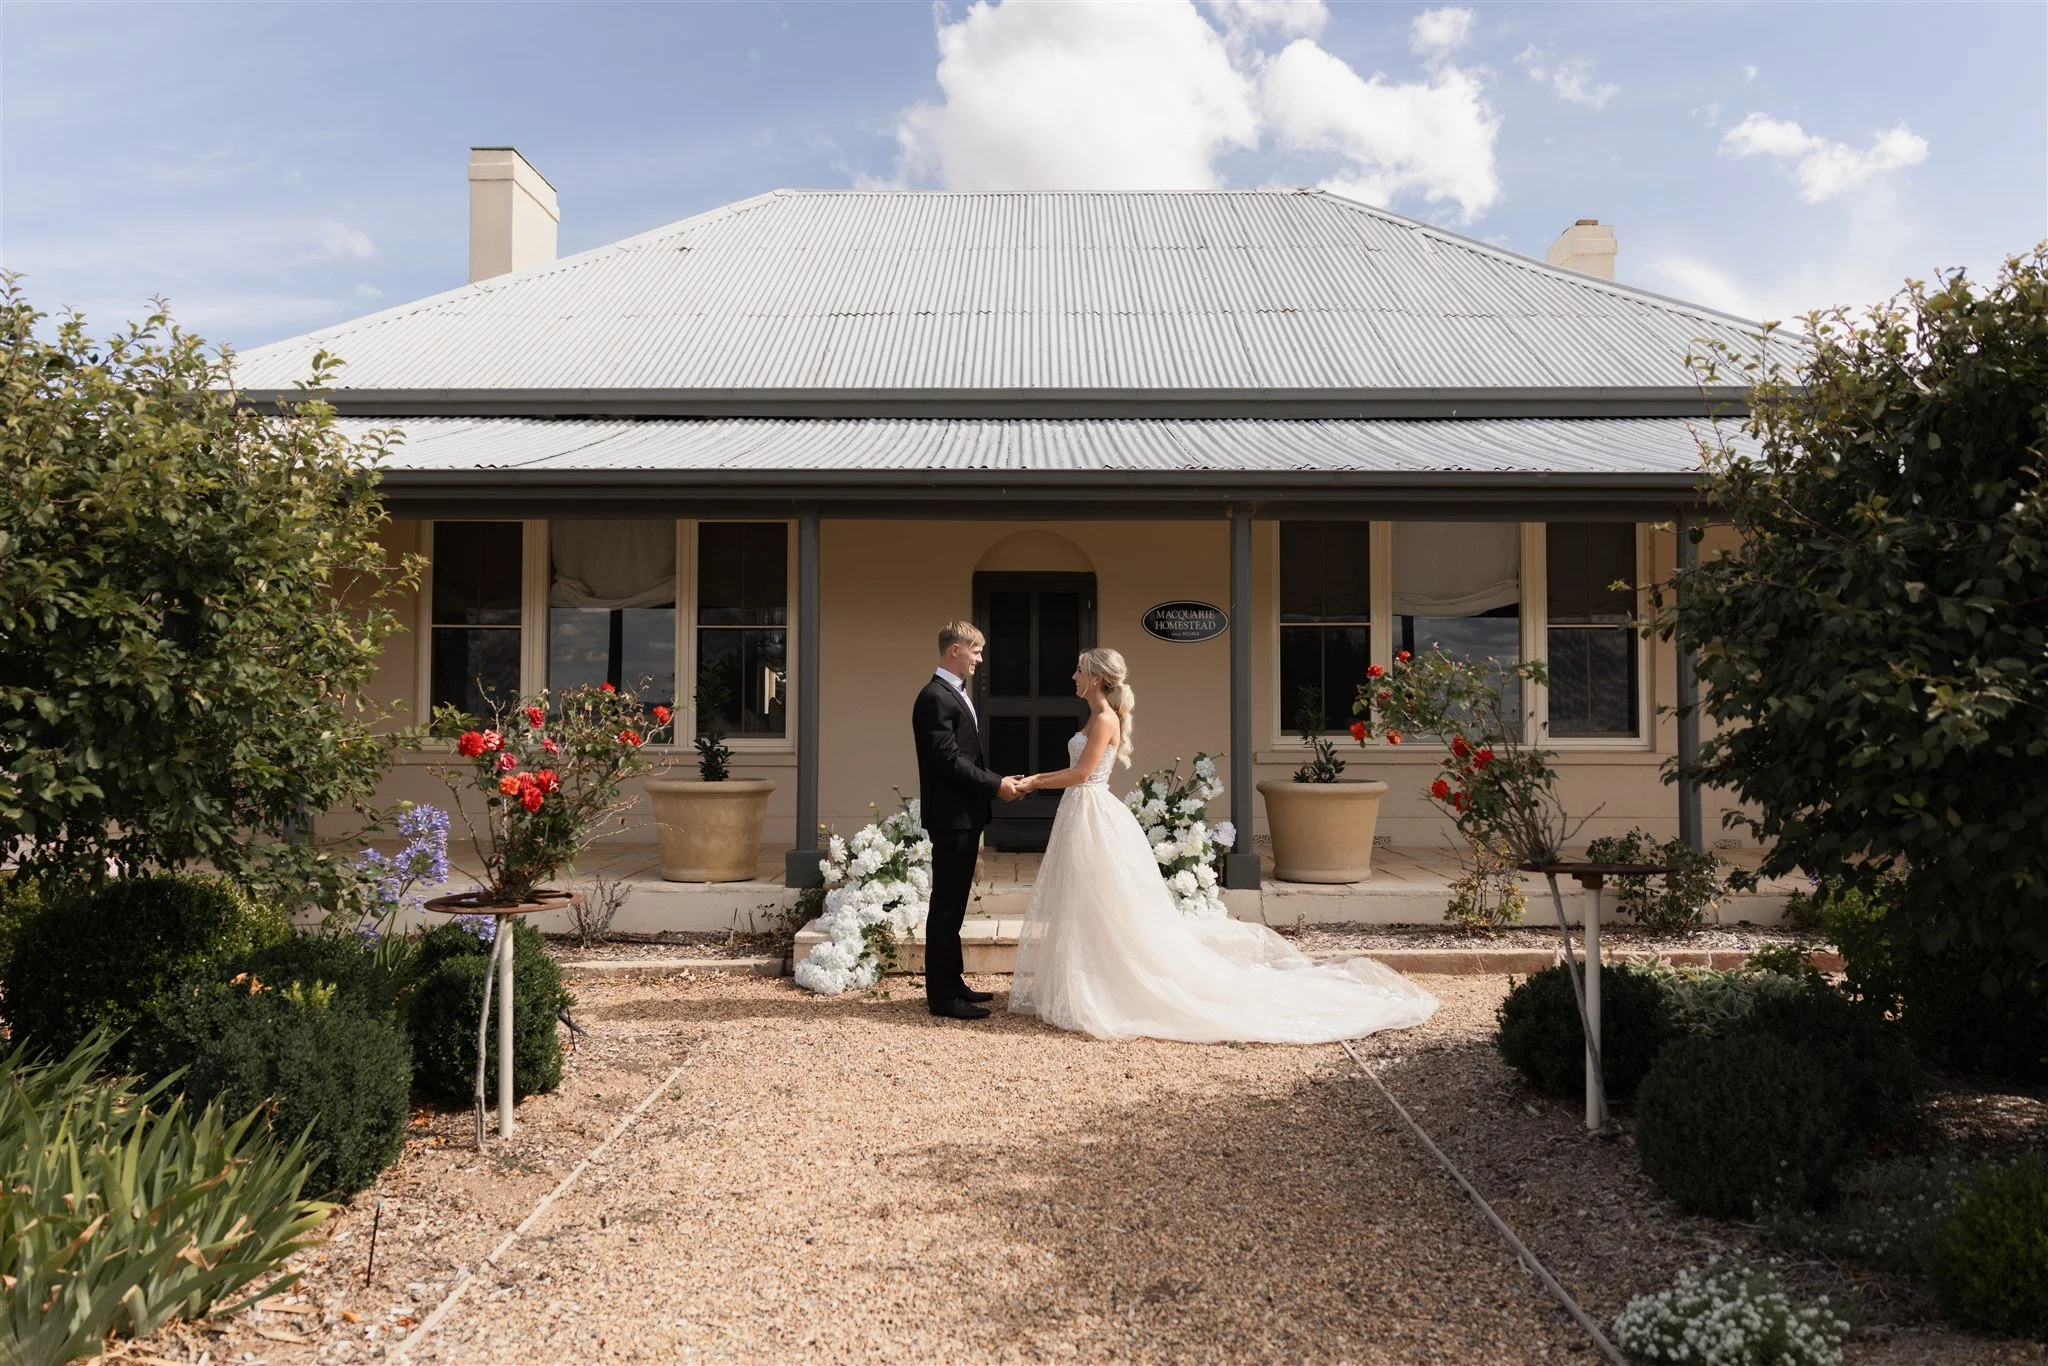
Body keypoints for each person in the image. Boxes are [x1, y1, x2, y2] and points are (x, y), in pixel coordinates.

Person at [1007, 646, 1439, 1043]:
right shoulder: (1095, 717)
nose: (1072, 676)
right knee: (1087, 900)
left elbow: (1083, 774)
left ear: (1097, 678)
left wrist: (1033, 781)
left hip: (1092, 810)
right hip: (1081, 812)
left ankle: (1103, 986)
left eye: (1079, 671)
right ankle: (1086, 981)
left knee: (1102, 899)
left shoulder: (1104, 720)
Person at [911, 620, 1023, 1020]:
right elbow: (946, 760)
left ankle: (953, 981)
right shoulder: (933, 697)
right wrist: (997, 785)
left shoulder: (953, 694)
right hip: (951, 816)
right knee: (946, 905)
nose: (980, 659)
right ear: (955, 649)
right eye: (975, 651)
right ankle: (942, 997)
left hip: (963, 814)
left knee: (954, 904)